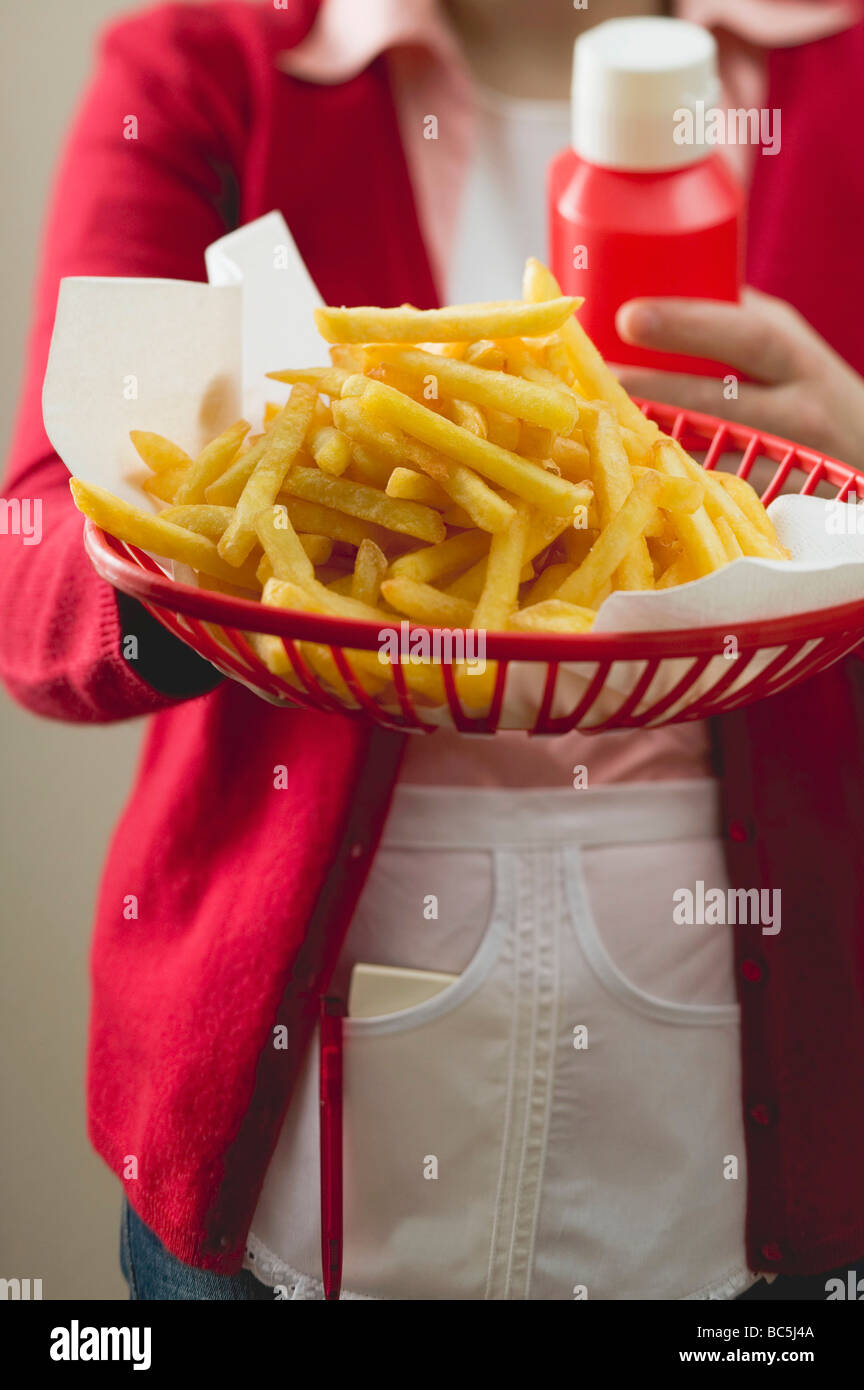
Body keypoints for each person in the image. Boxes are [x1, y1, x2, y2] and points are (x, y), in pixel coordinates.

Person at [3, 0, 864, 1301]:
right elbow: (33, 569)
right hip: (272, 1140)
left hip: (760, 1154)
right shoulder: (206, 62)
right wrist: (215, 553)